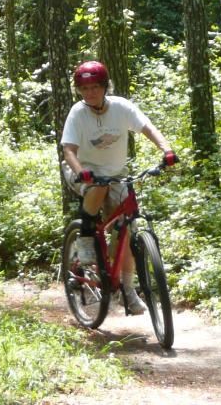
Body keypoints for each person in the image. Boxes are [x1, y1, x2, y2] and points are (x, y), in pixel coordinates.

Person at [61, 60, 177, 315]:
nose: (90, 93)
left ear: (105, 86)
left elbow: (148, 127)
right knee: (98, 189)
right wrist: (82, 172)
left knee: (126, 229)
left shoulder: (121, 108)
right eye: (84, 88)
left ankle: (128, 290)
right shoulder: (77, 113)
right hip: (82, 172)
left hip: (116, 175)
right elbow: (68, 150)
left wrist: (166, 149)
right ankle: (86, 237)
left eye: (95, 87)